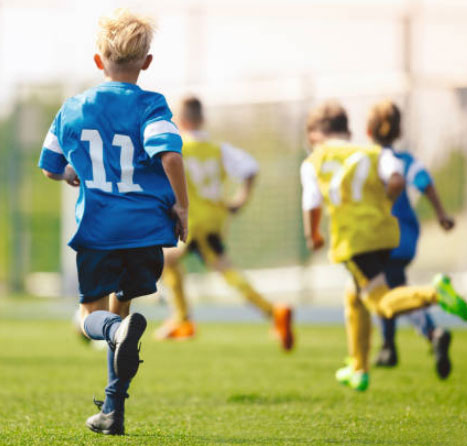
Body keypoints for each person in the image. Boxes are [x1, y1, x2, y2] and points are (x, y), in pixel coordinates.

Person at [38, 9, 188, 435]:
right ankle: (112, 411)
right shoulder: (151, 104)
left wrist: (71, 173)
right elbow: (170, 154)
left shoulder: (72, 108)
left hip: (100, 229)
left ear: (98, 61)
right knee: (124, 312)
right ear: (147, 62)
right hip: (145, 230)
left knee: (90, 319)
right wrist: (182, 207)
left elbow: (51, 166)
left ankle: (114, 331)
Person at [300, 100, 467, 391]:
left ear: (315, 135)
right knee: (354, 296)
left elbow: (312, 202)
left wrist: (313, 234)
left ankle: (435, 294)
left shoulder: (315, 161)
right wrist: (383, 205)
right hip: (387, 234)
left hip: (355, 240)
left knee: (380, 300)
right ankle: (359, 368)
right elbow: (397, 180)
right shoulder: (375, 153)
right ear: (349, 130)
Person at [153, 96, 294, 351]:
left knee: (197, 266)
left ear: (180, 121)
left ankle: (273, 312)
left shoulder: (177, 148)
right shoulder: (219, 149)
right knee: (175, 262)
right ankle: (183, 319)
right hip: (216, 220)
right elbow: (251, 167)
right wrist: (240, 200)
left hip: (192, 221)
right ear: (202, 119)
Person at [367, 100, 455, 378]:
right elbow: (424, 181)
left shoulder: (368, 160)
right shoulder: (406, 161)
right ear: (398, 131)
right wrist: (441, 214)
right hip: (407, 237)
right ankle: (390, 347)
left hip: (383, 236)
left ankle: (430, 332)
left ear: (369, 132)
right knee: (393, 287)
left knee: (384, 291)